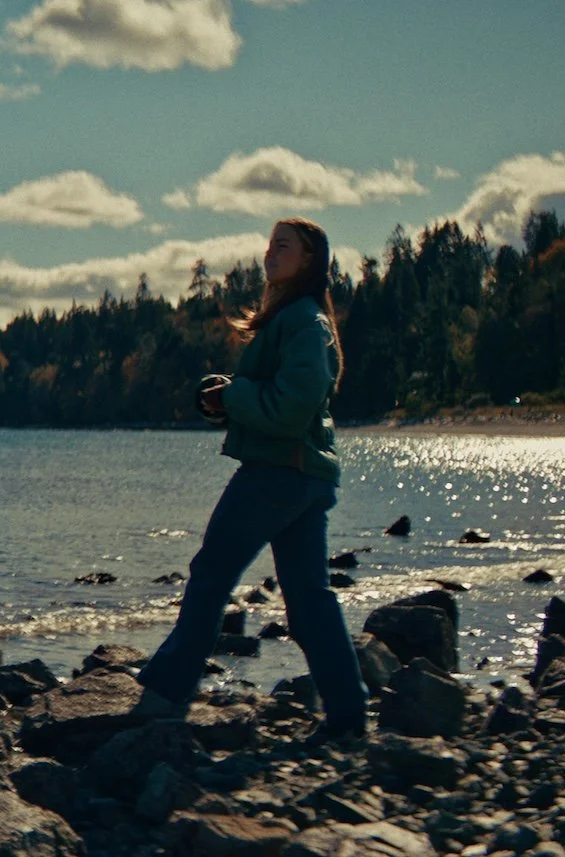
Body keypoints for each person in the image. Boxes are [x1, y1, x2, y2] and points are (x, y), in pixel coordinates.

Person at [137, 217, 367, 741]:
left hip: (276, 475)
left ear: (310, 260)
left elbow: (293, 406)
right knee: (308, 600)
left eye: (283, 246)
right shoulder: (297, 319)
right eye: (269, 245)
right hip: (300, 475)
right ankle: (348, 716)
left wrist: (235, 396)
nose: (270, 253)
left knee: (211, 574)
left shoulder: (305, 322)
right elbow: (287, 403)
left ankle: (166, 695)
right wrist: (229, 399)